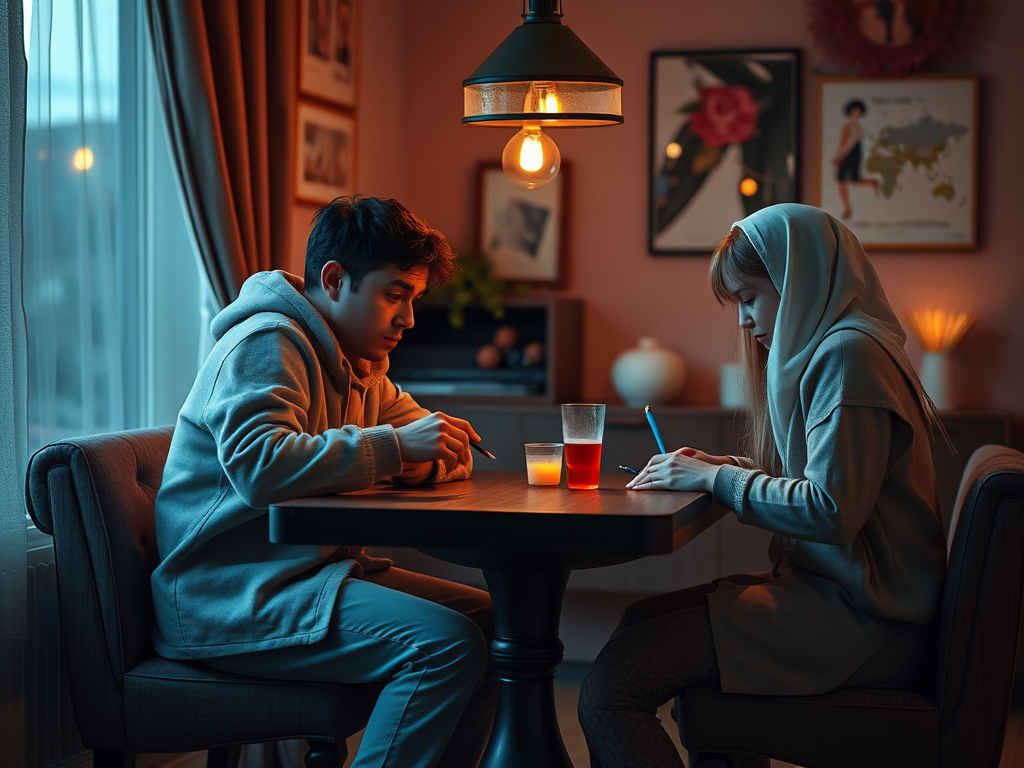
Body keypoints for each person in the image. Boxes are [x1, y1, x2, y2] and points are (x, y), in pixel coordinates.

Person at [577, 203, 948, 768]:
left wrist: (715, 478)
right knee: (639, 628)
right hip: (849, 600)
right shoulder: (847, 346)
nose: (745, 321)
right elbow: (830, 481)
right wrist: (727, 465)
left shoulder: (849, 356)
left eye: (750, 298)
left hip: (868, 619)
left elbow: (830, 510)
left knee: (610, 687)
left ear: (794, 283)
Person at [151, 196, 496, 768]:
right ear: (335, 280)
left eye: (413, 298)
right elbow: (260, 467)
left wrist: (421, 456)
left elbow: (441, 443)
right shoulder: (267, 342)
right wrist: (395, 448)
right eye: (394, 295)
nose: (408, 319)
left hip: (310, 575)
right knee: (447, 646)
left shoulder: (359, 361)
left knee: (494, 621)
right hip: (231, 595)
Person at [832, 99, 879, 219]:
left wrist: (839, 156)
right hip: (851, 154)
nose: (856, 113)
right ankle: (847, 207)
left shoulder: (853, 126)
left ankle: (847, 207)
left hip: (851, 154)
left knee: (846, 180)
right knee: (846, 180)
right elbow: (844, 142)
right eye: (855, 110)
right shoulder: (851, 126)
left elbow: (847, 143)